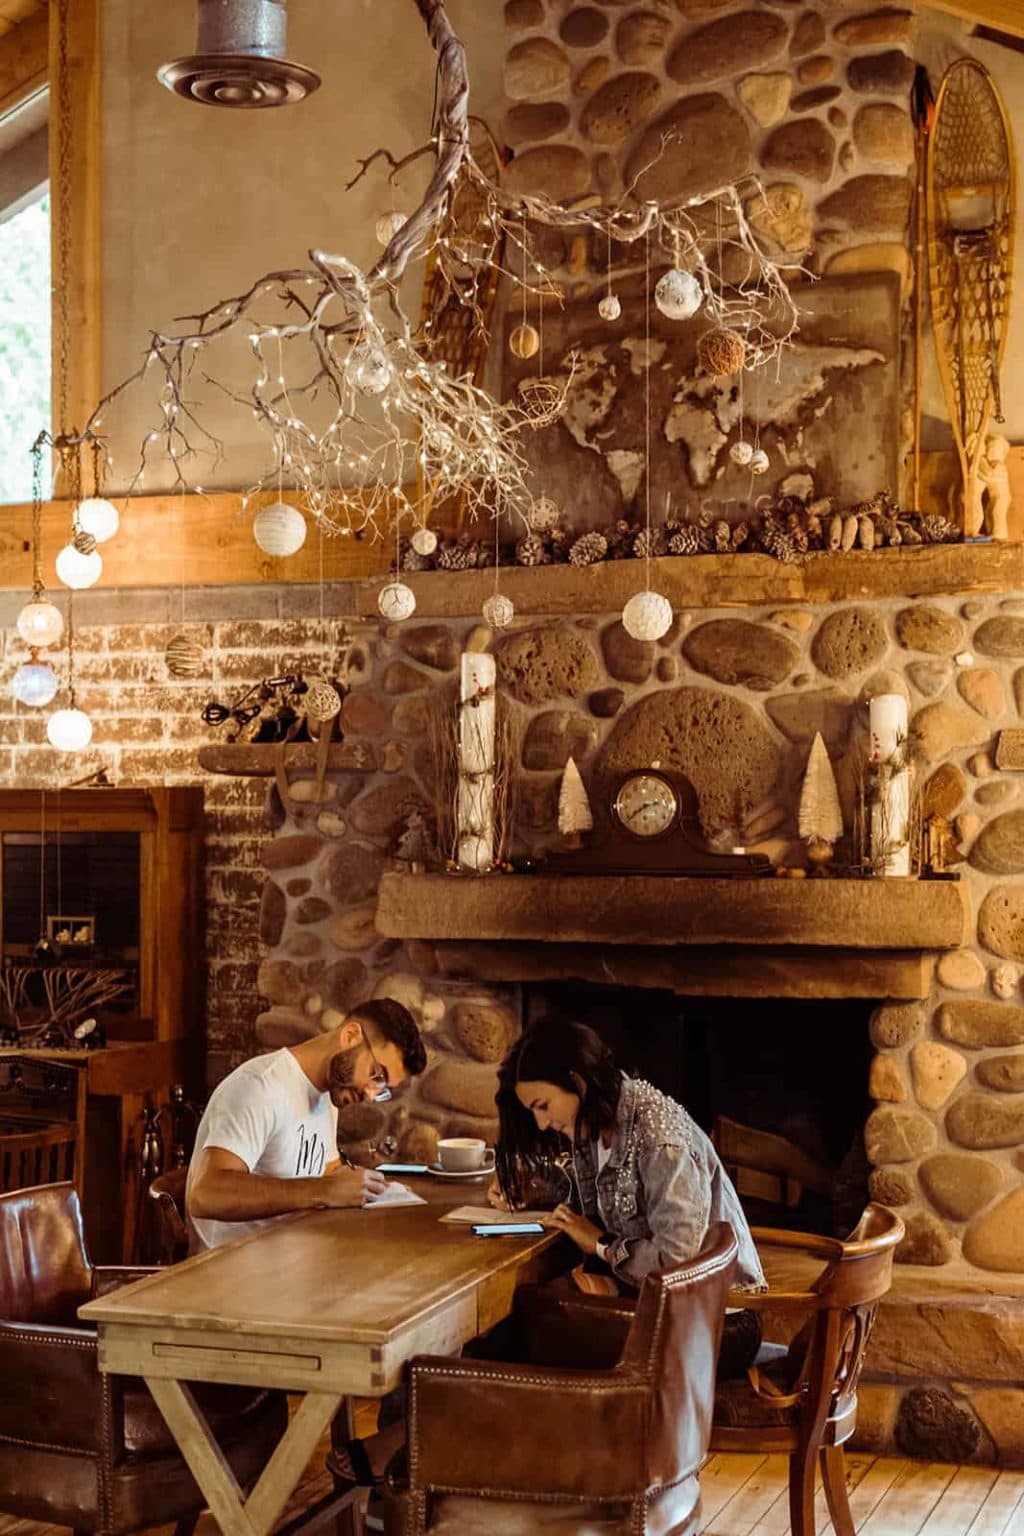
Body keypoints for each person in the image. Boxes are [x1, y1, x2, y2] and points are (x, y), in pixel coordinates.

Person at [492, 1017, 767, 1372]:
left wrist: (603, 1246)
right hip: (663, 1306)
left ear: (576, 1082)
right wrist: (532, 1188)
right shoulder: (600, 1122)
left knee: (529, 1330)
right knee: (523, 1315)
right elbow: (594, 1191)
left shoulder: (660, 1142)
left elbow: (677, 1265)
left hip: (718, 1326)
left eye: (543, 1106)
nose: (542, 1124)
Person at [186, 998, 427, 1251]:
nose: (370, 1095)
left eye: (381, 1090)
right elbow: (205, 1194)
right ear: (351, 1036)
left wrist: (371, 1187)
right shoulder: (259, 1087)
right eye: (376, 1075)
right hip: (233, 1272)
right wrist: (324, 1190)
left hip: (295, 1259)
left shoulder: (328, 1094)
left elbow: (324, 1170)